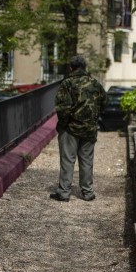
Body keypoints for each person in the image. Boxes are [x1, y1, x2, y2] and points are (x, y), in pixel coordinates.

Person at [50, 55, 106, 202]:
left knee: (68, 160)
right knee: (87, 161)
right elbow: (105, 102)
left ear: (71, 68)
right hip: (90, 129)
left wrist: (62, 125)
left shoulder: (67, 83)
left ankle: (64, 193)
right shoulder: (95, 83)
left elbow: (63, 108)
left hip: (71, 129)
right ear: (85, 67)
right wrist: (92, 118)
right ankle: (88, 193)